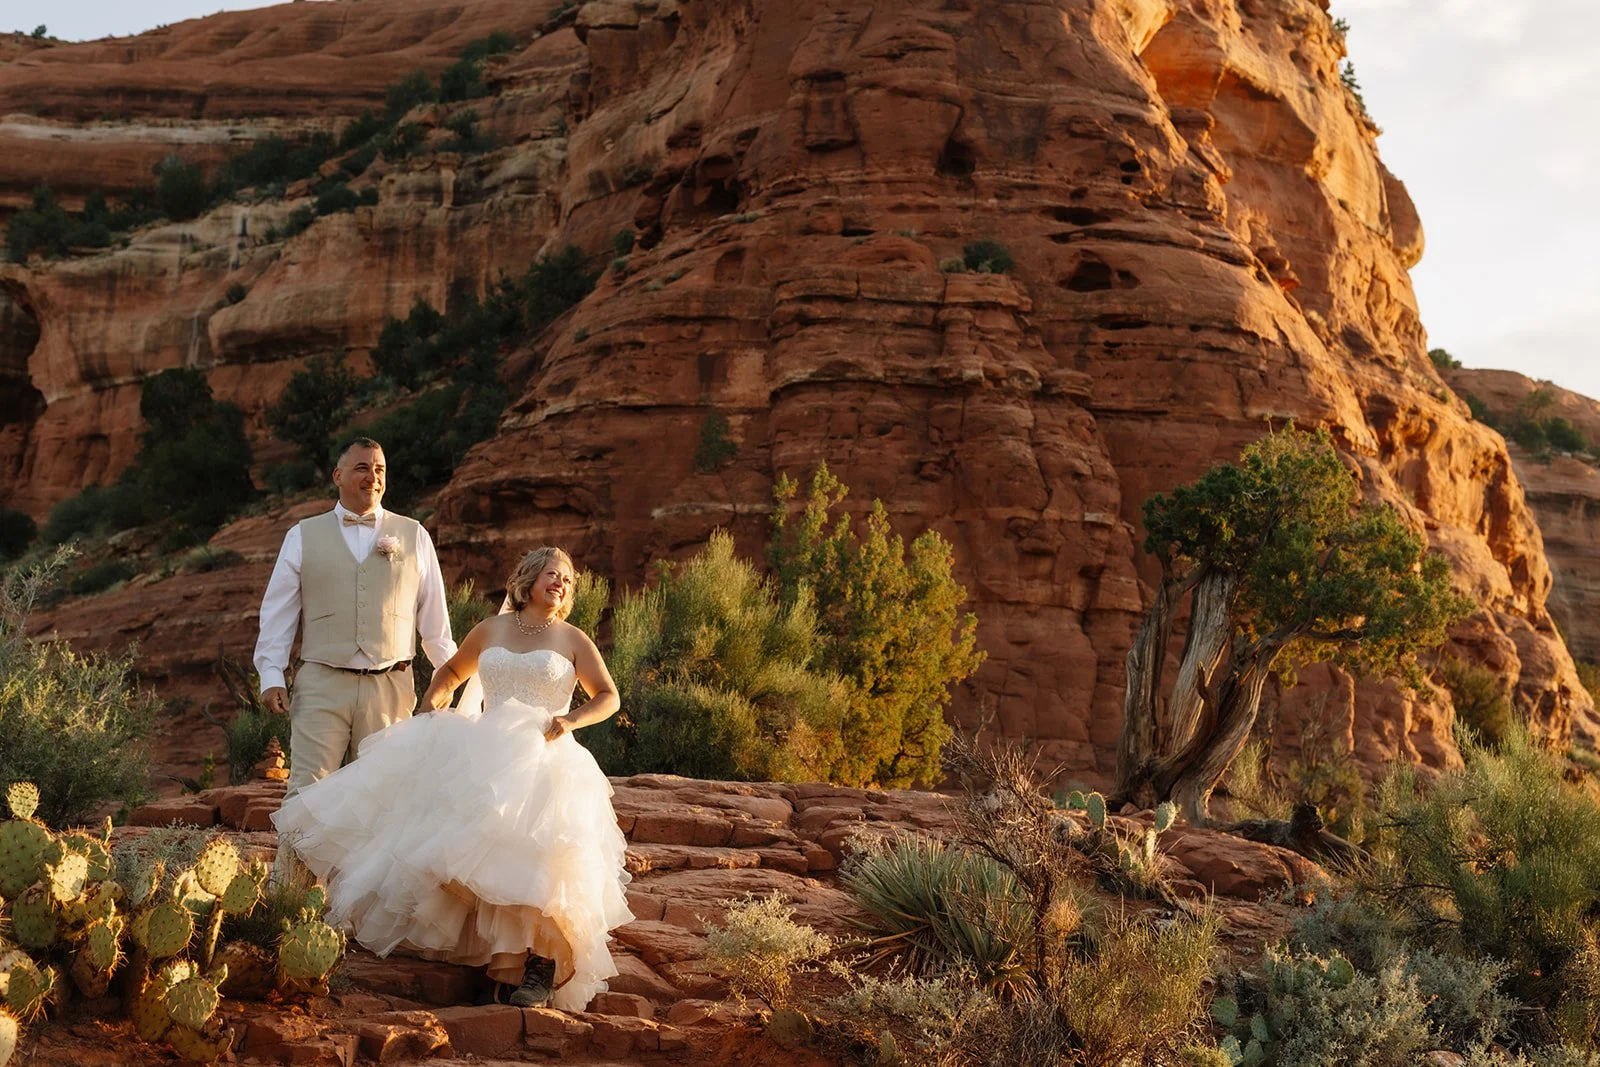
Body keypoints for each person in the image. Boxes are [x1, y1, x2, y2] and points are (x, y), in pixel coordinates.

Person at [270, 547, 634, 1010]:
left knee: (540, 856)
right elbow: (452, 672)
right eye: (551, 574)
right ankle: (497, 962)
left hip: (546, 754)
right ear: (528, 579)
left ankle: (539, 970)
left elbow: (609, 696)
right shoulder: (491, 629)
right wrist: (434, 703)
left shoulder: (574, 639)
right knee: (473, 851)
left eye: (566, 579)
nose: (560, 583)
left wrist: (571, 721)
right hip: (485, 751)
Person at [255, 437, 456, 881]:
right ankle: (289, 900)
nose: (373, 477)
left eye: (381, 469)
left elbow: (435, 621)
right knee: (308, 793)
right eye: (363, 467)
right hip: (322, 681)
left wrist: (453, 680)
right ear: (339, 477)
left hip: (392, 682)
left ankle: (369, 907)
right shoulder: (302, 535)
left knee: (386, 797)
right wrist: (271, 673)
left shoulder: (413, 534)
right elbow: (278, 611)